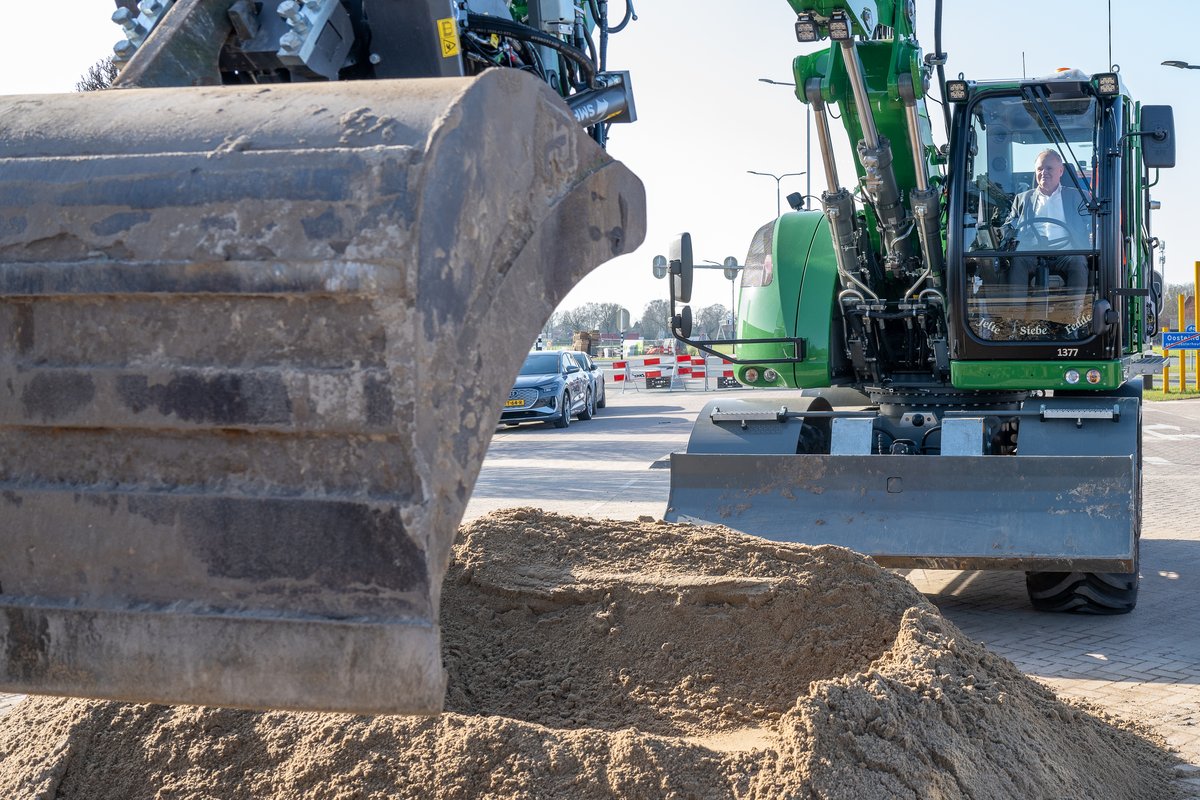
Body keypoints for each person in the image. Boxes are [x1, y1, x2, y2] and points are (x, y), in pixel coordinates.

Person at [1002, 149, 1091, 300]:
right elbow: (1009, 225)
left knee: (1079, 261)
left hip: (1067, 253)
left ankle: (1074, 317)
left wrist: (1092, 234)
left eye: (1049, 168)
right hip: (1031, 254)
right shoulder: (1022, 199)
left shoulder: (1078, 196)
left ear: (1061, 171)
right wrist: (1009, 232)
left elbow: (1090, 222)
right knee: (1017, 261)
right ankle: (1016, 317)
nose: (1044, 172)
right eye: (1040, 169)